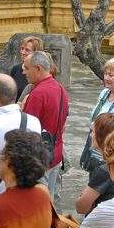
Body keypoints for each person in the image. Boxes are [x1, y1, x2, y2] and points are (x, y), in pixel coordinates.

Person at [22, 51, 69, 199]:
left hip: (39, 159)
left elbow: (27, 130)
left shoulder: (38, 94)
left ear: (38, 69)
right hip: (55, 153)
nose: (24, 72)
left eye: (27, 68)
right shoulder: (60, 88)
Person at [74, 112, 114, 214]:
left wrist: (81, 197)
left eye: (93, 132)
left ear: (102, 137)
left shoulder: (105, 169)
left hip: (102, 222)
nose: (90, 135)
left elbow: (81, 207)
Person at [9, 36, 44, 100]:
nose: (22, 52)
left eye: (27, 50)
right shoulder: (15, 69)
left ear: (36, 53)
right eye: (22, 49)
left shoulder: (40, 72)